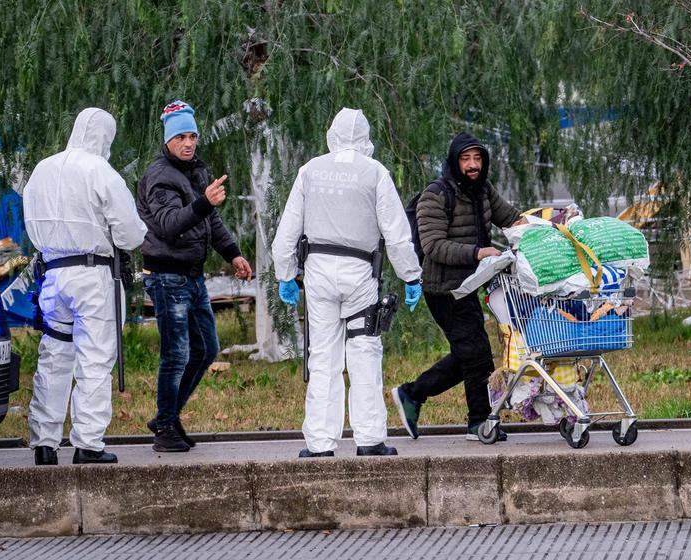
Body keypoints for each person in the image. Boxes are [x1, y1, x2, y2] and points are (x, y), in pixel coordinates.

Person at [271, 108, 423, 458]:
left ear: (332, 134)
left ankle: (319, 444)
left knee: (322, 358)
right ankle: (369, 439)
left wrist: (285, 275)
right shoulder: (375, 173)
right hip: (360, 275)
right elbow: (397, 235)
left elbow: (287, 233)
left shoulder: (310, 171)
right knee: (364, 353)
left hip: (318, 273)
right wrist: (411, 276)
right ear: (366, 138)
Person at [23, 107, 148, 465]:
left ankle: (44, 443)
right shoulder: (100, 172)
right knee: (94, 358)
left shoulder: (42, 170)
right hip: (93, 276)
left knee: (54, 355)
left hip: (52, 274)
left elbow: (31, 220)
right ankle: (88, 443)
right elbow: (129, 233)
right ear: (105, 137)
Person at [137, 100, 252, 453]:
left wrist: (233, 253)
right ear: (168, 140)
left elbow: (209, 221)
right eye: (181, 137)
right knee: (176, 354)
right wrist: (203, 201)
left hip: (192, 277)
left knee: (206, 348)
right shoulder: (159, 177)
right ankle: (165, 427)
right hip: (167, 278)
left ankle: (167, 416)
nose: (188, 143)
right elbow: (170, 225)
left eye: (193, 136)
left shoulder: (194, 172)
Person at [392, 132, 522, 442]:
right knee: (476, 355)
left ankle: (413, 394)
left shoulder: (483, 191)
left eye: (478, 158)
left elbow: (511, 219)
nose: (473, 165)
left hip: (469, 285)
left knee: (471, 353)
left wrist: (549, 228)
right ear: (454, 161)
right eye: (466, 159)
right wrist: (478, 252)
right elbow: (434, 246)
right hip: (443, 288)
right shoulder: (435, 196)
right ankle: (478, 423)